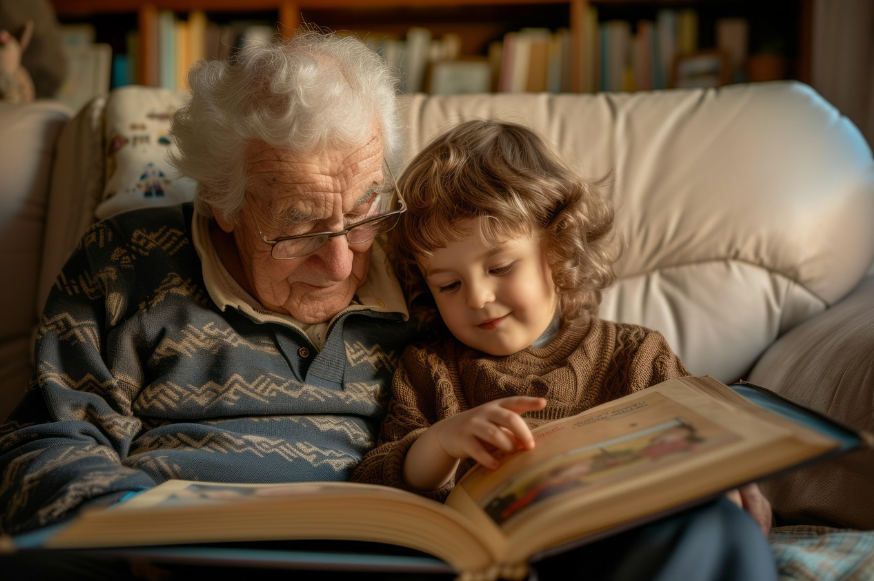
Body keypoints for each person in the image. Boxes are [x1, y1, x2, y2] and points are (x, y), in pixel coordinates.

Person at [0, 30, 419, 580]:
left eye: (363, 213)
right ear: (225, 199)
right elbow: (44, 440)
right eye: (299, 227)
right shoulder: (128, 262)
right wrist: (131, 533)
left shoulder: (428, 268)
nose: (340, 263)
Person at [351, 119, 776, 580]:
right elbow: (376, 484)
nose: (476, 298)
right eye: (449, 285)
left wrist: (731, 481)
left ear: (555, 248)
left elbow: (705, 450)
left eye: (500, 267)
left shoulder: (635, 354)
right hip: (503, 565)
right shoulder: (430, 368)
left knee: (720, 523)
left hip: (628, 552)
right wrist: (440, 443)